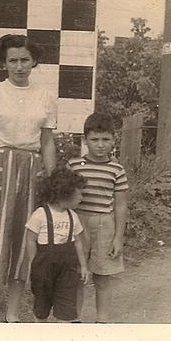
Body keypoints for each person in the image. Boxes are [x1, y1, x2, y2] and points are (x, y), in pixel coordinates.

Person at [0, 34, 57, 323]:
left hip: (30, 171)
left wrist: (52, 180)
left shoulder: (45, 95)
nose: (19, 66)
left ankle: (13, 311)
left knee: (24, 239)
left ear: (34, 61)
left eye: (25, 60)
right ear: (3, 63)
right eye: (12, 61)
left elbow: (47, 142)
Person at [68, 112, 129, 323]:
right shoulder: (74, 166)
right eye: (94, 139)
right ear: (85, 141)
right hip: (78, 224)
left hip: (105, 223)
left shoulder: (117, 170)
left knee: (103, 275)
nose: (100, 145)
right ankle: (74, 318)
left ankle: (102, 321)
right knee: (76, 274)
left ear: (114, 140)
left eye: (106, 139)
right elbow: (64, 199)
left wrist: (118, 238)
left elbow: (121, 205)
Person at [25, 167, 90, 322]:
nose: (82, 197)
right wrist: (34, 265)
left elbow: (78, 243)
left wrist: (83, 266)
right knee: (42, 305)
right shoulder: (40, 214)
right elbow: (30, 239)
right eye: (79, 193)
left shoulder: (72, 216)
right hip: (44, 267)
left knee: (67, 304)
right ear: (65, 193)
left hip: (67, 269)